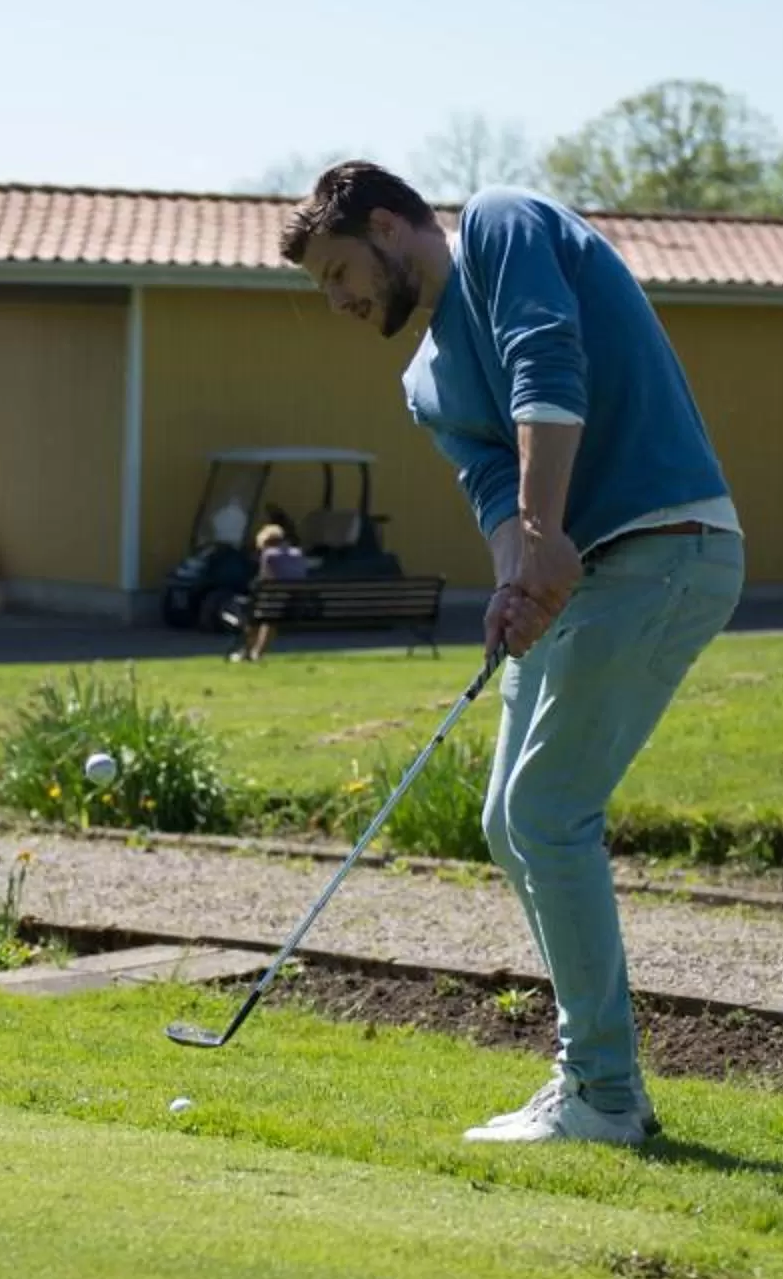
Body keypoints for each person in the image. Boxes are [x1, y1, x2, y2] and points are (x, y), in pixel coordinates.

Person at [281, 162, 743, 1147]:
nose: (339, 301)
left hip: (667, 546)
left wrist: (541, 533)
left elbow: (548, 363)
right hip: (587, 572)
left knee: (547, 808)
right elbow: (497, 497)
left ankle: (605, 1094)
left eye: (338, 272)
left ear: (389, 224)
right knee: (506, 817)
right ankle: (596, 1079)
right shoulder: (424, 380)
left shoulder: (500, 226)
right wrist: (514, 578)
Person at [233, 522, 311, 664]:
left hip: (275, 603)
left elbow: (264, 580)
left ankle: (247, 652)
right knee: (269, 617)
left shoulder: (269, 554)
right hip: (295, 604)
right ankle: (258, 652)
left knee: (254, 615)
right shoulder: (298, 553)